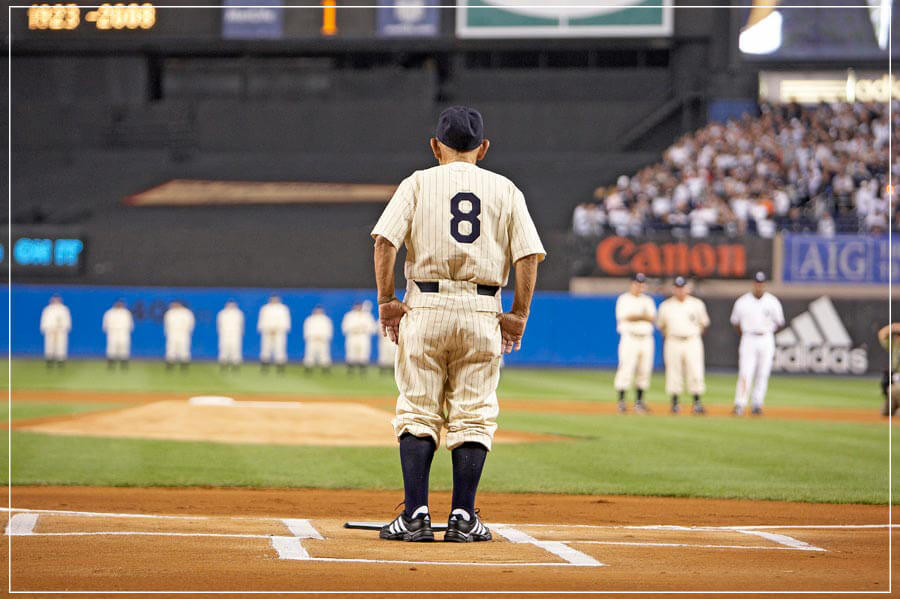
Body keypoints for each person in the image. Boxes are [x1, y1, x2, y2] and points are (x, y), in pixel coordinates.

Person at [371, 106, 545, 543]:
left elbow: (384, 242)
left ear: (435, 146)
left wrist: (387, 300)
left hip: (425, 307)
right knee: (474, 415)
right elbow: (527, 256)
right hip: (483, 309)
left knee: (417, 411)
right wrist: (519, 315)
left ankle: (415, 516)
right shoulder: (505, 190)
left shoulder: (417, 182)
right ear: (483, 148)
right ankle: (464, 517)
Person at [730, 271, 784, 416]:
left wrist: (767, 331)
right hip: (748, 338)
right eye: (757, 283)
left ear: (764, 284)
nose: (759, 285)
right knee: (745, 372)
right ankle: (740, 404)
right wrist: (746, 333)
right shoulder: (742, 302)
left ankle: (757, 404)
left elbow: (779, 322)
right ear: (753, 284)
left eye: (761, 283)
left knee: (763, 373)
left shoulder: (772, 301)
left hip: (766, 338)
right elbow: (735, 322)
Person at [656, 277, 710, 415]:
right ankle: (675, 403)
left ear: (687, 288)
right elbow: (661, 326)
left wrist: (694, 335)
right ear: (674, 289)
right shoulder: (666, 306)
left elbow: (704, 324)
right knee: (674, 372)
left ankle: (697, 403)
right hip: (673, 340)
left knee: (695, 370)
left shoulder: (696, 304)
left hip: (692, 340)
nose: (680, 290)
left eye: (682, 287)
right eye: (677, 287)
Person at [614, 273, 656, 413]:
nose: (639, 286)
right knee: (626, 369)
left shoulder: (648, 300)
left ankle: (639, 402)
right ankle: (621, 402)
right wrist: (641, 316)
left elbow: (652, 318)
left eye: (642, 284)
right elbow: (625, 317)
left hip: (646, 338)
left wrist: (637, 316)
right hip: (629, 338)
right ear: (631, 284)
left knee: (644, 370)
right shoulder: (624, 299)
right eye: (637, 283)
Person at [258, 295, 291, 372]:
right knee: (266, 348)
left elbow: (286, 321)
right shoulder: (265, 309)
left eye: (276, 299)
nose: (274, 301)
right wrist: (267, 329)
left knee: (280, 349)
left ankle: (280, 367)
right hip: (267, 332)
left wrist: (278, 329)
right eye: (272, 299)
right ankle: (265, 366)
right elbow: (262, 320)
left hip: (279, 333)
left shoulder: (283, 309)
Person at [342, 303, 377, 373]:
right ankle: (351, 369)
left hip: (363, 335)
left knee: (364, 352)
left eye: (359, 306)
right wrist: (353, 329)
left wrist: (364, 329)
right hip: (353, 335)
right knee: (351, 352)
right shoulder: (349, 316)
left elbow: (372, 327)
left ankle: (363, 369)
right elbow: (345, 326)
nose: (358, 308)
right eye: (356, 306)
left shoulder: (367, 316)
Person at [40, 295, 71, 368]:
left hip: (60, 330)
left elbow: (66, 320)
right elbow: (44, 320)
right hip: (50, 330)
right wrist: (46, 328)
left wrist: (63, 327)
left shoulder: (63, 309)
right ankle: (49, 360)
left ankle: (61, 361)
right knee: (49, 345)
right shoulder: (47, 309)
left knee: (61, 345)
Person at [102, 300, 134, 369]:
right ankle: (111, 364)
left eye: (121, 304)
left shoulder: (126, 313)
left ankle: (124, 364)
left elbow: (130, 324)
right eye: (118, 304)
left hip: (123, 332)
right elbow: (105, 324)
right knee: (111, 347)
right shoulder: (109, 313)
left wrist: (127, 330)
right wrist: (108, 330)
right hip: (112, 332)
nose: (119, 305)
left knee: (124, 347)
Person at [163, 300, 195, 370]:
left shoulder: (186, 313)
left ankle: (184, 365)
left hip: (183, 333)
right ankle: (170, 364)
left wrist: (187, 332)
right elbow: (166, 324)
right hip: (172, 333)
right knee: (171, 349)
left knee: (184, 349)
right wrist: (167, 333)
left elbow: (191, 324)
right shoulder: (169, 313)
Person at [877, 323, 900, 417]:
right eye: (897, 335)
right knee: (885, 412)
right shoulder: (895, 346)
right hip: (895, 381)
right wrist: (893, 327)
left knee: (893, 390)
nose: (897, 338)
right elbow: (882, 334)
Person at [303, 306, 333, 373]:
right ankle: (308, 368)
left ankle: (325, 368)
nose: (318, 312)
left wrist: (324, 337)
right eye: (317, 311)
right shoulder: (310, 320)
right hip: (312, 339)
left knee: (324, 354)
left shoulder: (326, 320)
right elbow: (307, 330)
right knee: (310, 354)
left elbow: (328, 330)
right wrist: (312, 336)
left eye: (319, 311)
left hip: (322, 340)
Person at [216, 300, 244, 370]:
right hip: (225, 333)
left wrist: (240, 332)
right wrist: (221, 332)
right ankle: (223, 363)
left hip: (235, 333)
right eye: (229, 305)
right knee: (224, 348)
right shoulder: (222, 313)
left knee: (235, 348)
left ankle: (236, 364)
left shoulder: (238, 313)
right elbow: (219, 324)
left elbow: (241, 324)